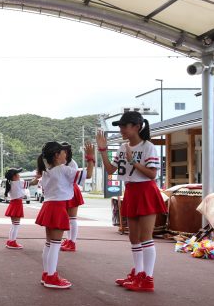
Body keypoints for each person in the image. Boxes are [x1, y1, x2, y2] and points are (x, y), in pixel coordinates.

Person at [97, 111, 167, 292]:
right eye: (120, 126)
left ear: (137, 126)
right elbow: (111, 169)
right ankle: (139, 274)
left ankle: (148, 279)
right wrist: (103, 150)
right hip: (131, 190)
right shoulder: (122, 147)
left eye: (124, 126)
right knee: (133, 237)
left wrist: (133, 161)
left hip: (145, 190)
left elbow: (152, 174)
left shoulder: (148, 146)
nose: (121, 130)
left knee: (145, 237)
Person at [35, 141, 94, 289]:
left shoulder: (47, 171)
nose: (65, 154)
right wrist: (90, 157)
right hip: (57, 207)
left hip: (48, 206)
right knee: (55, 244)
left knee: (49, 244)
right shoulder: (63, 169)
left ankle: (47, 273)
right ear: (56, 155)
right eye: (63, 152)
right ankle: (51, 276)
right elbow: (88, 175)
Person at [4, 168, 37, 249]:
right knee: (16, 225)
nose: (19, 175)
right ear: (14, 176)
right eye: (17, 174)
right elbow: (33, 183)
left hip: (13, 203)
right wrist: (38, 177)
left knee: (14, 225)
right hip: (17, 204)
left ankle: (11, 240)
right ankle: (12, 242)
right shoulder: (19, 183)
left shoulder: (11, 183)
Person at [61, 143, 83, 252]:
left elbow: (72, 179)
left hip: (72, 190)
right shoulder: (62, 162)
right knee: (68, 218)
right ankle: (68, 239)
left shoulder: (72, 163)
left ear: (67, 152)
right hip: (65, 191)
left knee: (72, 218)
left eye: (61, 151)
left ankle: (72, 242)